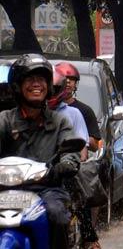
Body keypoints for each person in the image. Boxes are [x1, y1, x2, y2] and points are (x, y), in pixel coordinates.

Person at [0, 54, 83, 248]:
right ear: (18, 86)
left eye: (41, 79)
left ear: (49, 86)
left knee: (57, 215)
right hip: (5, 189)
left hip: (46, 190)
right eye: (30, 79)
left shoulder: (60, 121)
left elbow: (71, 151)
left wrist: (66, 165)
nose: (36, 84)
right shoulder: (4, 120)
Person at [48, 71, 101, 249]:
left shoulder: (73, 114)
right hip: (26, 175)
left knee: (75, 192)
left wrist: (71, 161)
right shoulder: (11, 117)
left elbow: (82, 146)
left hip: (60, 170)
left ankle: (89, 237)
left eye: (52, 89)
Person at [55, 62, 101, 153]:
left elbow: (96, 145)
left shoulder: (82, 111)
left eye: (71, 79)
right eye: (63, 78)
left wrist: (81, 138)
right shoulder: (42, 108)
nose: (67, 82)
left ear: (75, 84)